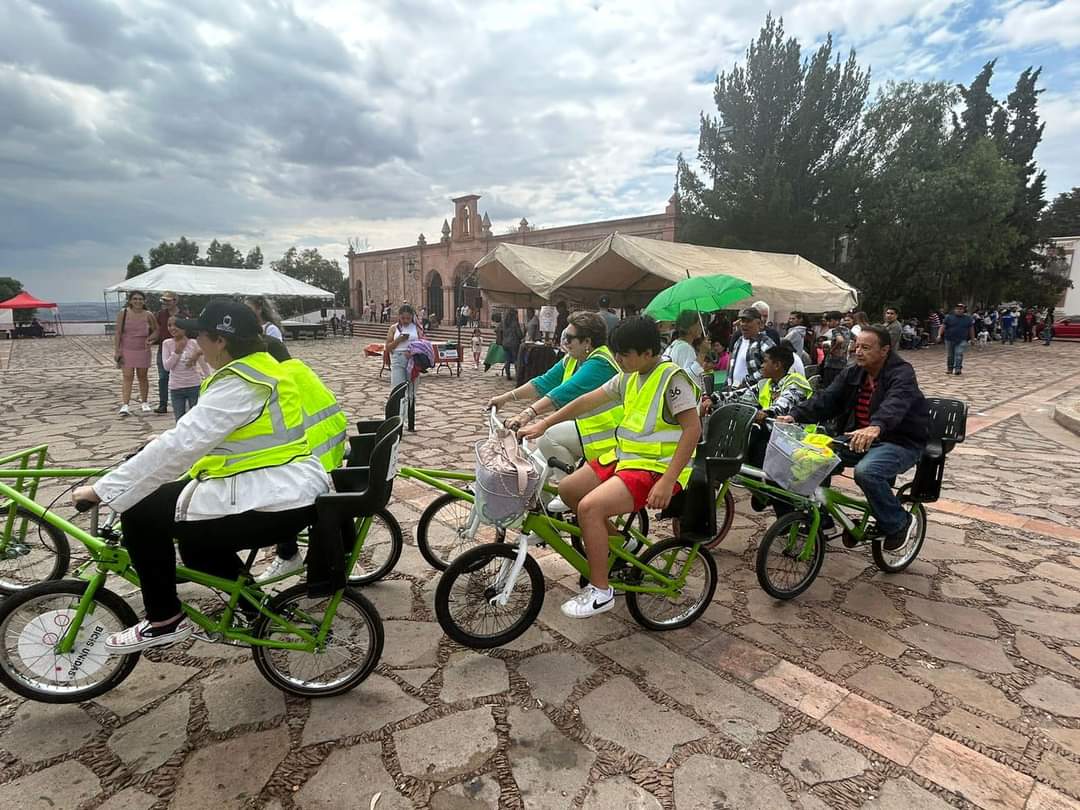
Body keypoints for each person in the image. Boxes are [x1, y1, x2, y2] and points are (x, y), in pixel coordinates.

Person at [71, 300, 332, 651]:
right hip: (285, 487)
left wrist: (103, 490)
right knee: (195, 548)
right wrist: (161, 442)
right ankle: (255, 608)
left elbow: (181, 446)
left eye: (200, 336)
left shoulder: (240, 382)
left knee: (139, 511)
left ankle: (163, 618)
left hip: (276, 497)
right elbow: (216, 433)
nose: (197, 343)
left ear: (220, 340)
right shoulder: (262, 367)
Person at [520, 316, 701, 618]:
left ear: (647, 353)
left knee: (589, 508)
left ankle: (601, 590)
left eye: (624, 354)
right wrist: (544, 423)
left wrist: (668, 481)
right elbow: (586, 401)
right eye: (616, 352)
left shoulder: (672, 379)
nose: (618, 359)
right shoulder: (629, 375)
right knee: (568, 490)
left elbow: (693, 431)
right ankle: (620, 543)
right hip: (626, 458)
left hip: (656, 468)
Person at [782, 325, 929, 551]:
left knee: (867, 472)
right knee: (809, 459)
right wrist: (794, 415)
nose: (858, 351)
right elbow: (827, 399)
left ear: (885, 350)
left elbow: (896, 403)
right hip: (858, 437)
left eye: (866, 348)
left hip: (900, 441)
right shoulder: (853, 372)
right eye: (857, 346)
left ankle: (899, 522)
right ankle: (823, 520)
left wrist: (876, 426)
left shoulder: (902, 373)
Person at [492, 312, 621, 475]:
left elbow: (562, 393)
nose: (565, 342)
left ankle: (569, 494)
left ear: (587, 341)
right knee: (533, 471)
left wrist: (526, 415)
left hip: (607, 433)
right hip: (585, 429)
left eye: (569, 337)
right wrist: (505, 398)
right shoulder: (574, 358)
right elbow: (543, 383)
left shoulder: (600, 363)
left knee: (548, 437)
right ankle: (549, 497)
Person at [741, 344, 814, 467]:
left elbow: (784, 404)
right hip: (774, 435)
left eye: (765, 361)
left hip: (796, 440)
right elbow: (740, 395)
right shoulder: (766, 383)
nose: (761, 365)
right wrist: (714, 398)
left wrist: (767, 413)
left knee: (758, 443)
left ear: (777, 365)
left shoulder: (796, 382)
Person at [113, 291, 159, 416]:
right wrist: (117, 350)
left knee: (142, 376)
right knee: (127, 376)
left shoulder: (148, 315)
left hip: (142, 349)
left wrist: (151, 339)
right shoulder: (124, 313)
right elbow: (118, 332)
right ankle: (125, 405)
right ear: (130, 300)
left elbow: (156, 330)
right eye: (135, 299)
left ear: (144, 301)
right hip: (127, 348)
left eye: (140, 299)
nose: (137, 301)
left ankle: (144, 402)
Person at [162, 316, 210, 421]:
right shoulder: (167, 344)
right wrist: (177, 352)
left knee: (196, 419)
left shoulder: (193, 343)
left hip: (194, 386)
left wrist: (209, 379)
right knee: (179, 420)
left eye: (176, 325)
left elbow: (204, 365)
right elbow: (167, 366)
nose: (172, 328)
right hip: (176, 387)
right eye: (169, 325)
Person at [729, 308, 777, 389]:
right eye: (742, 321)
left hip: (753, 394)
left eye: (748, 321)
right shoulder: (738, 341)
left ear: (759, 323)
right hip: (733, 392)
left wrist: (748, 382)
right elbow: (731, 365)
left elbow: (771, 369)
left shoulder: (764, 342)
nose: (744, 324)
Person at [662, 310, 706, 390]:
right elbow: (689, 377)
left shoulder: (675, 344)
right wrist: (702, 354)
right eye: (699, 324)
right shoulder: (685, 348)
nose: (701, 327)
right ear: (690, 328)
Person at [152, 292, 180, 413]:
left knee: (180, 376)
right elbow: (157, 329)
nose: (165, 303)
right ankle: (163, 404)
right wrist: (151, 338)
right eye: (164, 300)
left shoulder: (183, 315)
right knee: (163, 377)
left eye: (168, 300)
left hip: (179, 349)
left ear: (175, 301)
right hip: (163, 349)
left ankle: (181, 402)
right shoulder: (160, 315)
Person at [386, 303, 421, 395]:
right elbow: (388, 348)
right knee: (398, 389)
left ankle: (409, 409)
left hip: (413, 359)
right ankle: (399, 409)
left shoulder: (416, 328)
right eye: (403, 318)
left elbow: (423, 345)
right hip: (398, 358)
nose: (405, 321)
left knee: (411, 391)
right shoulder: (393, 328)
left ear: (412, 317)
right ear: (399, 316)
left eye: (408, 318)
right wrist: (398, 340)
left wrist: (413, 352)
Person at [938, 302, 974, 376]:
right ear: (954, 310)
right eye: (957, 309)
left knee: (959, 353)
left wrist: (972, 339)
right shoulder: (949, 317)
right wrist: (939, 335)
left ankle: (958, 369)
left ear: (964, 310)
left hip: (962, 339)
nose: (959, 310)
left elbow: (971, 329)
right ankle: (950, 369)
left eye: (961, 309)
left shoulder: (968, 318)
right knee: (950, 355)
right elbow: (943, 326)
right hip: (949, 339)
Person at [820, 311, 849, 387]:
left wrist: (832, 350)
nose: (828, 323)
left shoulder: (835, 330)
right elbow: (856, 338)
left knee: (828, 386)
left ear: (837, 321)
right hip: (843, 362)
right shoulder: (847, 330)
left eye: (830, 321)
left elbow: (840, 340)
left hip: (832, 364)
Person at [499, 309, 523, 380]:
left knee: (507, 360)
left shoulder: (504, 322)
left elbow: (498, 330)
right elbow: (519, 334)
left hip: (505, 343)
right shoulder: (515, 323)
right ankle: (517, 375)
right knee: (516, 359)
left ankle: (508, 375)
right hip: (514, 343)